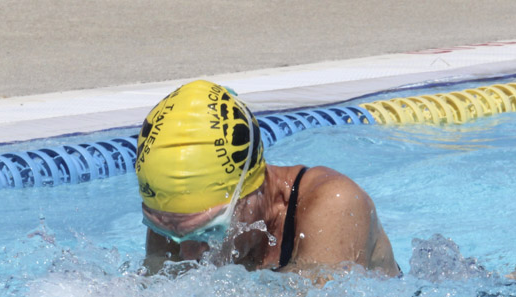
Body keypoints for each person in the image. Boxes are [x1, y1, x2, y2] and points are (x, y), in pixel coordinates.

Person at [136, 79, 401, 280]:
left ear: (254, 189)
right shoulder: (177, 218)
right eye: (167, 231)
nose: (187, 254)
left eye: (209, 231)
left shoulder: (333, 203)